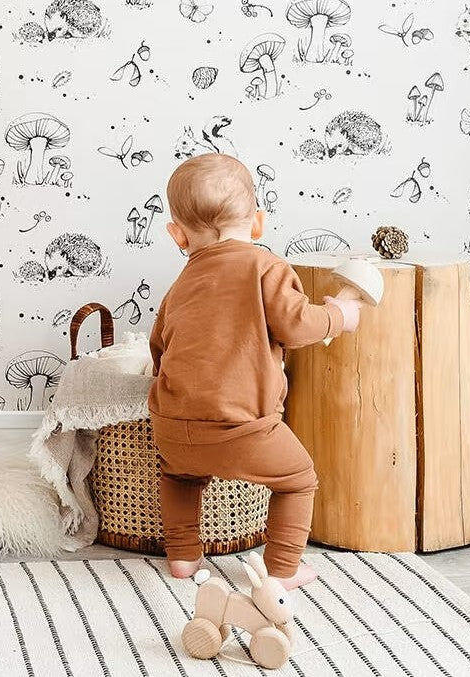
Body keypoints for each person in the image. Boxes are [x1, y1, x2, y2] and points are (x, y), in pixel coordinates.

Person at [149, 153, 362, 589]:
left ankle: (184, 557)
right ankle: (283, 568)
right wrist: (339, 315)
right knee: (299, 479)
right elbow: (297, 324)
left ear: (178, 236)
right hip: (241, 427)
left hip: (172, 426)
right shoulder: (267, 267)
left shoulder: (180, 285)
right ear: (258, 224)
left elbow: (159, 349)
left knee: (179, 477)